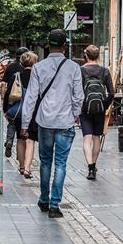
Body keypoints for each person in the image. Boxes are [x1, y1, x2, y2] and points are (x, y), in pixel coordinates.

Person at [21, 30, 83, 218]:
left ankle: (43, 199)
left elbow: (31, 97)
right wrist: (75, 114)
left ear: (49, 44)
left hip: (45, 121)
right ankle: (55, 205)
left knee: (45, 162)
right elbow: (79, 96)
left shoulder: (39, 67)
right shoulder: (73, 67)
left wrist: (25, 123)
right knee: (61, 163)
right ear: (64, 45)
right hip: (65, 122)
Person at [80, 45, 115, 181]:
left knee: (86, 139)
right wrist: (104, 105)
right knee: (96, 138)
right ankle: (94, 165)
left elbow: (77, 91)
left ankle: (89, 167)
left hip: (85, 109)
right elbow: (111, 93)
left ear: (86, 56)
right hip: (99, 109)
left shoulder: (81, 70)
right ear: (98, 56)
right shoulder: (104, 71)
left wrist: (80, 106)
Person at [3, 50, 38, 179]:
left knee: (20, 138)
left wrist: (6, 110)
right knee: (30, 139)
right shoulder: (37, 76)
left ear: (22, 62)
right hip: (33, 111)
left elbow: (8, 94)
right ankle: (28, 167)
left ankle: (22, 166)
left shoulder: (16, 76)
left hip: (17, 112)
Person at [2, 47, 29, 158]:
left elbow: (3, 85)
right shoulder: (30, 69)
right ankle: (21, 156)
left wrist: (3, 101)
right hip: (26, 104)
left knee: (12, 122)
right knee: (22, 130)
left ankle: (9, 140)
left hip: (13, 101)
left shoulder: (11, 67)